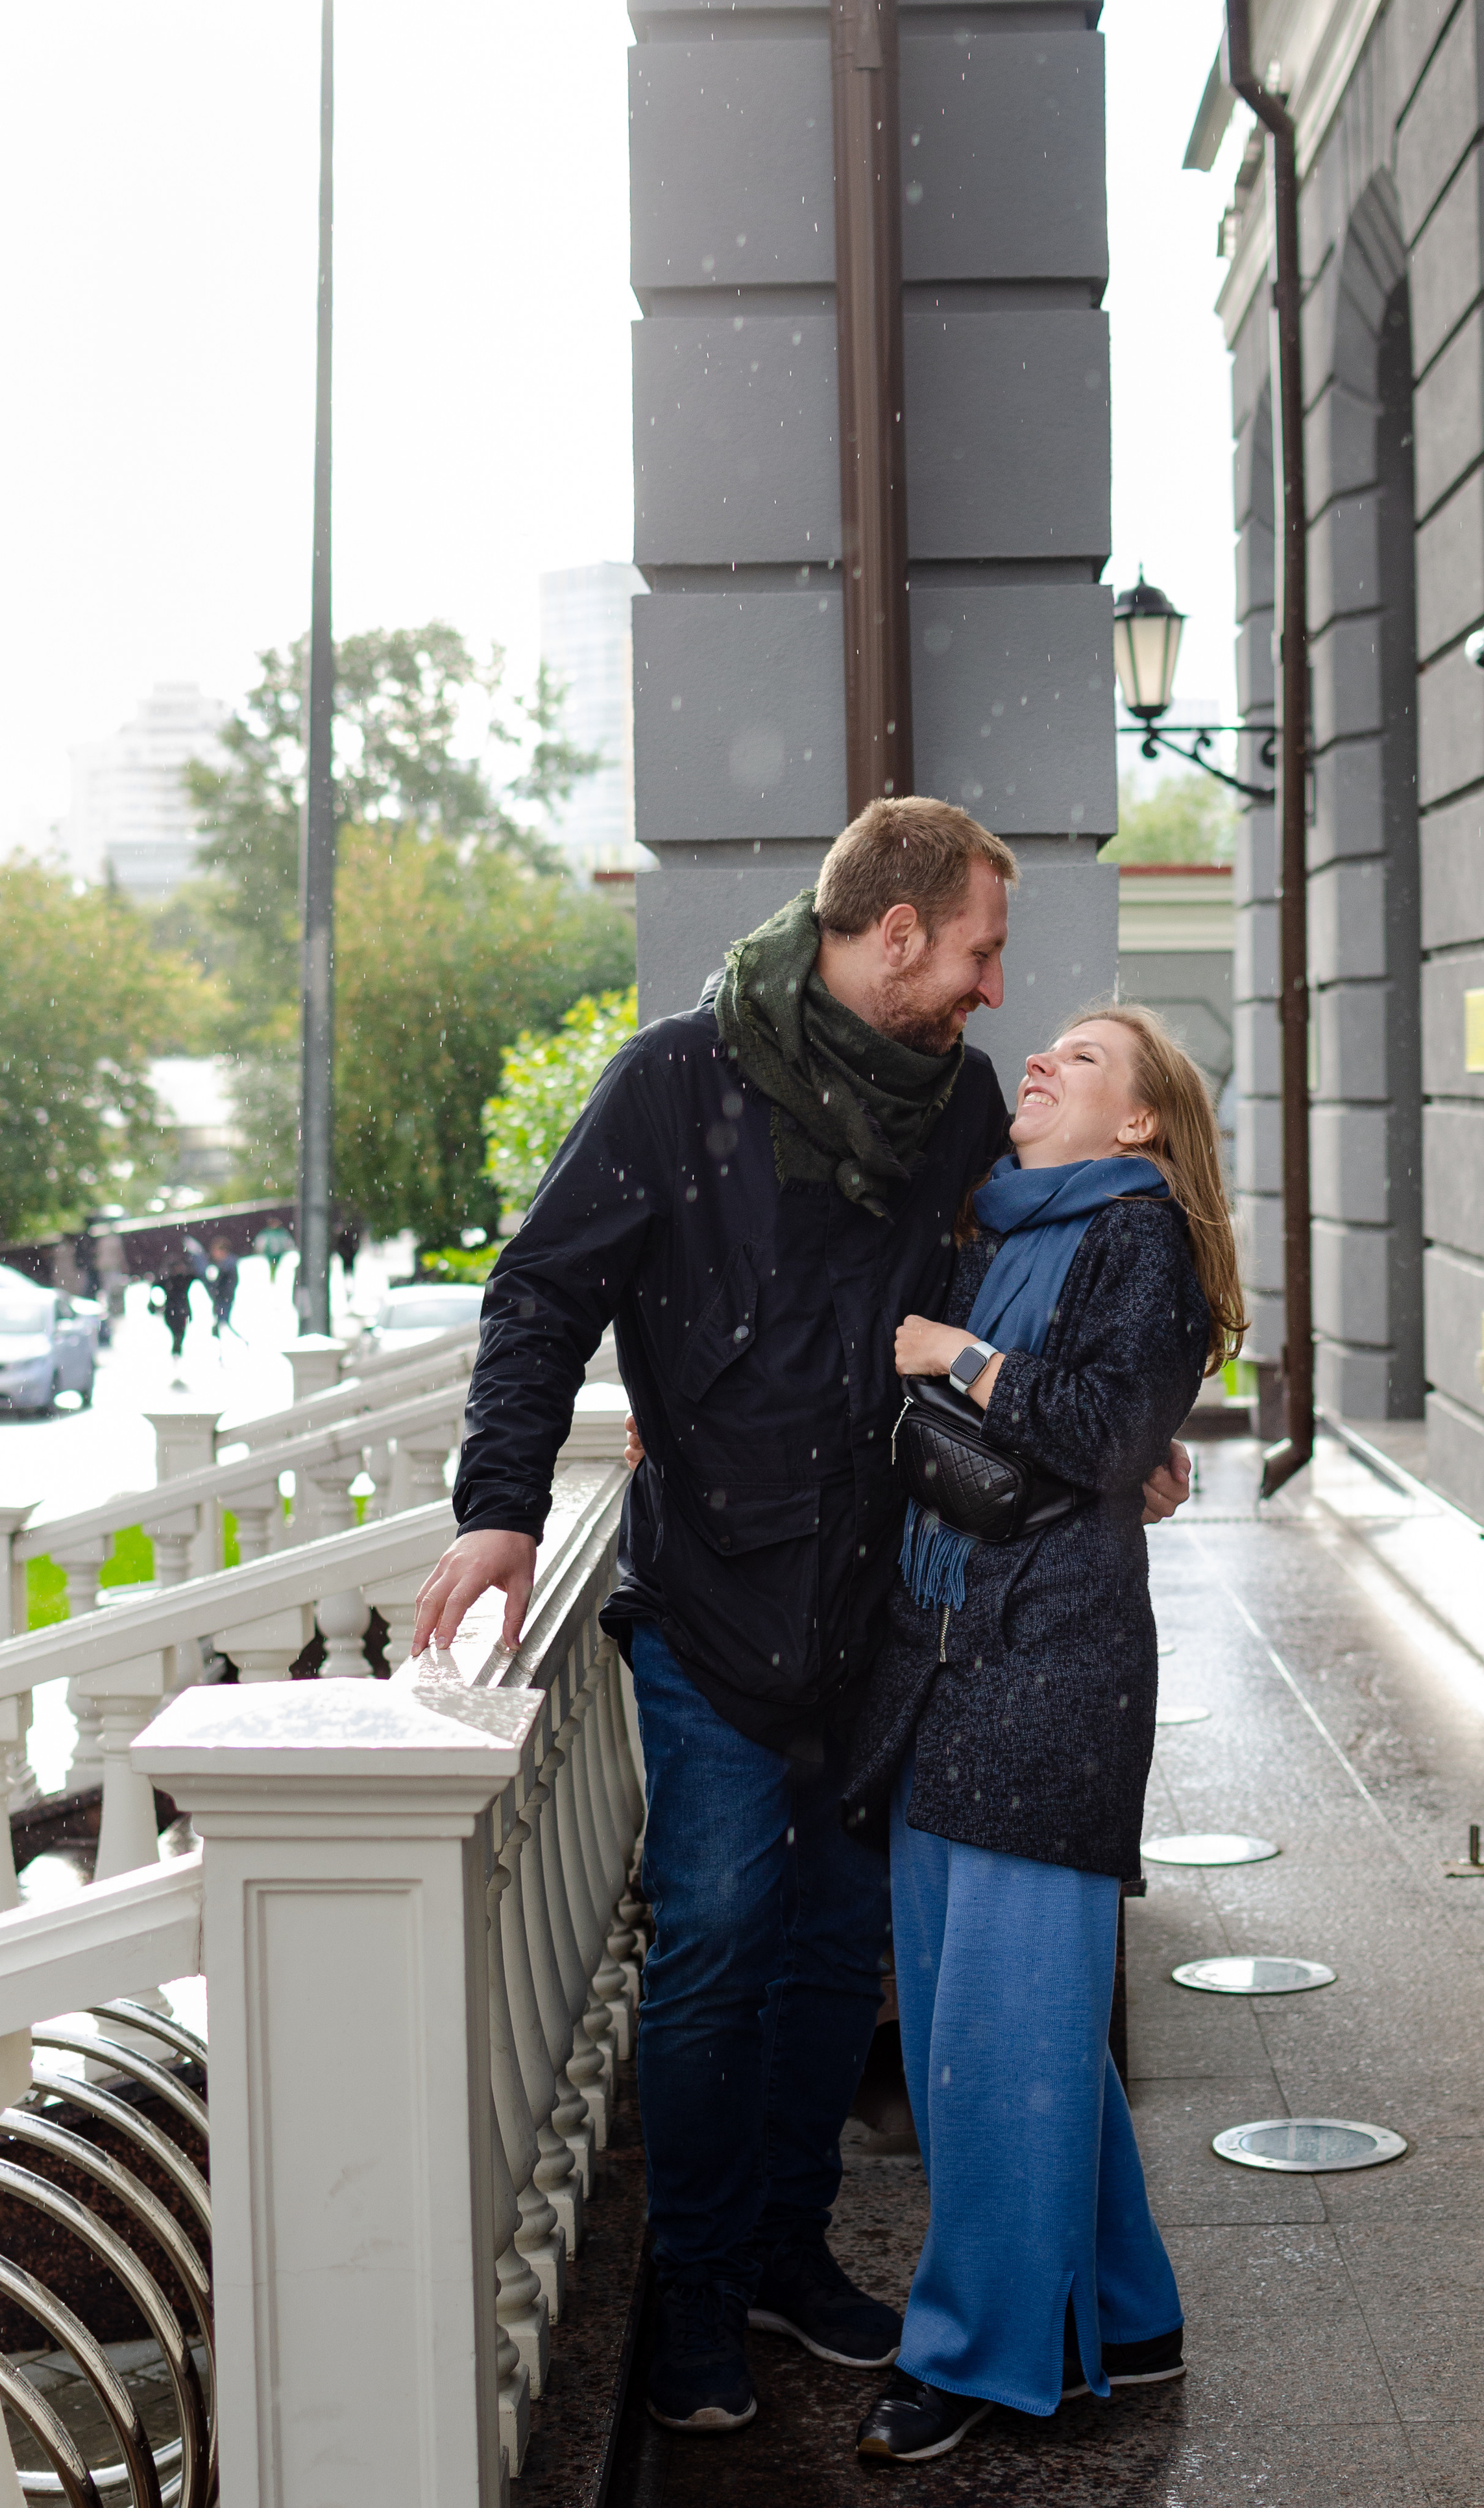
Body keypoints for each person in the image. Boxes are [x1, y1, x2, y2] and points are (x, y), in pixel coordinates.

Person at [410, 798, 1192, 2435]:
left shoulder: (959, 1108)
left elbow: (1022, 1280)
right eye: (978, 951)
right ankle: (695, 2290)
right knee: (709, 1948)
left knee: (840, 1952)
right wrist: (498, 1511)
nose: (991, 992)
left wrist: (1124, 1421)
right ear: (893, 932)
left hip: (879, 1614)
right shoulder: (671, 1085)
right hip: (703, 1601)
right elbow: (542, 1292)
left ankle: (785, 2246)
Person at [842, 1002, 1245, 2463]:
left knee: (991, 2049)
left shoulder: (1135, 1236)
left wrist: (960, 1360)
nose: (1039, 1062)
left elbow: (1100, 1433)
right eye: (1043, 1049)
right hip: (952, 1663)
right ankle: (1127, 2314)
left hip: (1044, 1676)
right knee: (1003, 2023)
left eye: (1079, 1057)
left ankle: (975, 2358)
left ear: (1137, 1122)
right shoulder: (1009, 1227)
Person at [206, 1239, 240, 1339]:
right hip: (222, 1300)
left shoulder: (227, 1266)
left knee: (224, 1325)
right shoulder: (222, 1265)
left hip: (226, 1300)